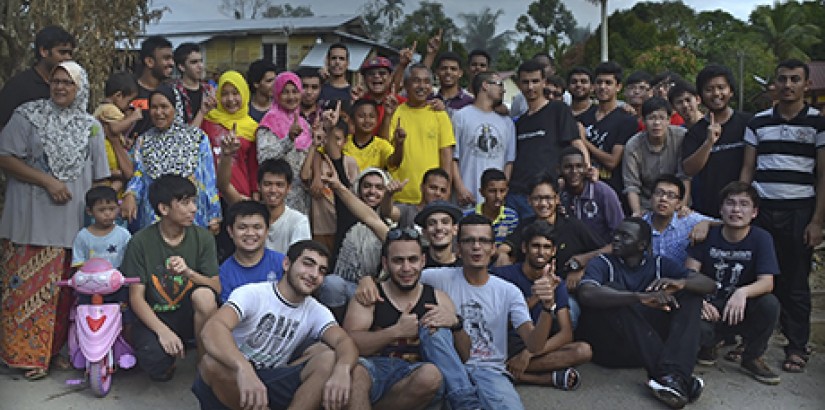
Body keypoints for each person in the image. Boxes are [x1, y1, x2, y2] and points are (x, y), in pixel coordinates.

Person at [357, 214, 560, 409]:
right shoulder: (437, 277)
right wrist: (367, 280)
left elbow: (535, 343)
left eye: (483, 241)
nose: (476, 247)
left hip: (488, 371)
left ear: (493, 248)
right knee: (435, 327)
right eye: (469, 240)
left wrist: (547, 306)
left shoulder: (508, 291)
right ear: (458, 248)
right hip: (445, 370)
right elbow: (402, 273)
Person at [0, 61, 109, 380]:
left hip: (71, 225)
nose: (60, 87)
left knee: (62, 294)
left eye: (68, 83)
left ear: (81, 89)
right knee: (22, 292)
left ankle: (51, 353)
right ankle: (20, 355)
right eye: (56, 81)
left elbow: (101, 177)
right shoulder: (27, 116)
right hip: (28, 223)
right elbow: (4, 156)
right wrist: (46, 180)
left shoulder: (91, 126)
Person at [193, 240, 361, 410]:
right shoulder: (253, 293)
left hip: (272, 380)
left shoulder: (315, 310)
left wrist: (343, 369)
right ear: (287, 264)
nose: (314, 274)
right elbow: (212, 329)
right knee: (211, 363)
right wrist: (243, 368)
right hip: (232, 380)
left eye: (321, 270)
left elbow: (344, 342)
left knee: (328, 357)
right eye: (308, 264)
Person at [740, 59, 825, 373]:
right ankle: (749, 344)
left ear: (806, 84)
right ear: (773, 84)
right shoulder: (758, 122)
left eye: (795, 79)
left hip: (799, 211)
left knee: (795, 283)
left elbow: (823, 176)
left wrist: (817, 221)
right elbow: (748, 169)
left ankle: (797, 346)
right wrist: (743, 212)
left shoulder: (818, 123)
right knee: (755, 277)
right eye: (782, 79)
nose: (787, 85)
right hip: (761, 212)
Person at [577, 217, 716, 409]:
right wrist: (637, 297)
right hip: (610, 348)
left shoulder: (660, 264)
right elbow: (586, 293)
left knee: (691, 294)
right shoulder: (603, 262)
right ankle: (676, 376)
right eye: (616, 234)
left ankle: (674, 378)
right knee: (612, 291)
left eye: (625, 236)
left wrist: (681, 283)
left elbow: (709, 285)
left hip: (644, 351)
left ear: (642, 244)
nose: (616, 239)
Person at [343, 227, 484, 410]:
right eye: (398, 261)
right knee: (356, 372)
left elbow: (464, 357)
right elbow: (348, 344)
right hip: (376, 369)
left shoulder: (438, 297)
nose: (406, 268)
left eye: (413, 259)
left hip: (417, 378)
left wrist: (456, 325)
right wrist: (396, 332)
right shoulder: (370, 295)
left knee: (431, 373)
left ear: (423, 261)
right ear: (385, 263)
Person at [121, 175, 220, 381]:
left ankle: (205, 363)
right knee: (154, 362)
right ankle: (168, 357)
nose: (193, 208)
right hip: (156, 315)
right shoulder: (140, 242)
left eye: (193, 201)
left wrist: (189, 273)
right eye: (185, 203)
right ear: (164, 209)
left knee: (205, 296)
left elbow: (216, 287)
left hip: (189, 315)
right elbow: (136, 297)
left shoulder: (203, 238)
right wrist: (162, 331)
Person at [687, 182, 782, 385]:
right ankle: (709, 345)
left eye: (744, 204)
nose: (736, 210)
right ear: (721, 209)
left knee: (770, 303)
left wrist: (742, 293)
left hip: (740, 308)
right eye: (730, 203)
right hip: (711, 307)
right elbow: (689, 275)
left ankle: (752, 357)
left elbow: (767, 282)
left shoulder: (761, 238)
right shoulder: (706, 236)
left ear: (754, 212)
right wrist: (699, 301)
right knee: (691, 316)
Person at [492, 221, 592, 389]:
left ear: (553, 251)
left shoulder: (556, 283)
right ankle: (541, 378)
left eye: (546, 247)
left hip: (533, 344)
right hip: (502, 343)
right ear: (524, 248)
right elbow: (496, 323)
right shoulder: (502, 276)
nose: (541, 252)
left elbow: (566, 333)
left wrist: (529, 353)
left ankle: (510, 371)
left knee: (583, 351)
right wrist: (536, 297)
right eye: (535, 246)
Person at [121, 84, 221, 232]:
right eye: (154, 107)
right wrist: (130, 195)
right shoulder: (144, 141)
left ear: (176, 108)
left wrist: (214, 216)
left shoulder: (196, 138)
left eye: (164, 106)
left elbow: (208, 179)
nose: (158, 112)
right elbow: (138, 175)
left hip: (191, 217)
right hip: (155, 217)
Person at [497, 174, 606, 297]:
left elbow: (607, 250)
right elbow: (507, 245)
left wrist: (583, 269)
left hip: (565, 291)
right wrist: (502, 254)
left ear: (557, 199)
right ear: (529, 200)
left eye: (548, 198)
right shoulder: (526, 225)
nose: (543, 204)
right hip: (531, 290)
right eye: (537, 198)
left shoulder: (573, 226)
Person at [508, 60, 583, 219]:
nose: (530, 87)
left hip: (545, 195)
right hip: (516, 193)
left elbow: (575, 143)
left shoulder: (558, 109)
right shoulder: (519, 122)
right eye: (525, 82)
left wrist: (586, 169)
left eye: (535, 81)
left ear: (544, 82)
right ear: (519, 85)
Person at [681, 64, 751, 218]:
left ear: (731, 91)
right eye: (709, 89)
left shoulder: (748, 123)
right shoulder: (695, 132)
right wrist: (709, 142)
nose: (716, 93)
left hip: (743, 210)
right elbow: (689, 169)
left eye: (721, 87)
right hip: (708, 210)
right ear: (700, 96)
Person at [387, 63, 456, 205]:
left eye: (426, 82)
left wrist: (446, 189)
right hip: (400, 196)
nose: (422, 86)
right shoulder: (396, 113)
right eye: (416, 81)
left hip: (432, 199)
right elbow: (388, 154)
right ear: (406, 85)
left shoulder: (439, 114)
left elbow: (446, 155)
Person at [452, 70, 516, 208]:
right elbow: (453, 157)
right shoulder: (460, 116)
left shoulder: (507, 122)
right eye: (499, 84)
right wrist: (460, 188)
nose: (503, 90)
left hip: (495, 202)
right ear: (485, 85)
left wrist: (502, 191)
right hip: (467, 197)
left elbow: (509, 161)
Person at [257, 71, 314, 215]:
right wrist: (288, 139)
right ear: (276, 94)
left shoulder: (304, 124)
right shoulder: (269, 122)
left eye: (295, 91)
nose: (291, 97)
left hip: (303, 197)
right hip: (278, 196)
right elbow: (264, 157)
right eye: (285, 92)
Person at [578, 61, 639, 196]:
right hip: (583, 189)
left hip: (612, 191)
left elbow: (612, 161)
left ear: (618, 87)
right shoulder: (583, 118)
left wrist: (583, 141)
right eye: (599, 82)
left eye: (608, 83)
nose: (602, 87)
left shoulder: (626, 120)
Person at [623, 97, 689, 216]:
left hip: (677, 201)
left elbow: (684, 176)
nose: (657, 123)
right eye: (652, 118)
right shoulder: (633, 145)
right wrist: (637, 212)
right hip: (647, 204)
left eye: (662, 118)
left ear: (669, 120)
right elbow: (631, 185)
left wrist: (682, 205)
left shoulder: (681, 137)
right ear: (643, 121)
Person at [0, 25, 75, 128]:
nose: (68, 58)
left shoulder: (73, 87)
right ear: (43, 51)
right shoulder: (18, 87)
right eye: (62, 52)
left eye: (70, 53)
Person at [202, 70, 260, 200]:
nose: (230, 99)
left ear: (244, 94)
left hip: (239, 194)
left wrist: (255, 197)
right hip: (210, 193)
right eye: (224, 94)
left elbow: (253, 167)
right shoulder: (208, 120)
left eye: (235, 93)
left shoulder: (252, 128)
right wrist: (201, 113)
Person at [218, 200, 285, 303]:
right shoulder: (224, 273)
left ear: (267, 230)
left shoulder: (283, 264)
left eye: (257, 227)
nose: (250, 233)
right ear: (230, 231)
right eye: (242, 227)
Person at [642, 174, 715, 266]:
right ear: (651, 198)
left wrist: (707, 223)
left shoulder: (688, 220)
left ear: (678, 203)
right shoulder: (640, 224)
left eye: (671, 196)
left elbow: (725, 223)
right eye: (659, 193)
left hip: (681, 278)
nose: (663, 199)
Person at [558, 146, 624, 246]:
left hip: (603, 253)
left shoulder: (603, 192)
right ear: (559, 170)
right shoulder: (558, 194)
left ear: (586, 168)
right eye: (568, 167)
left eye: (579, 166)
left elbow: (620, 232)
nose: (574, 171)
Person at [93, 72, 140, 195]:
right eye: (129, 101)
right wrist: (132, 118)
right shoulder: (110, 109)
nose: (129, 105)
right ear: (118, 95)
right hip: (108, 151)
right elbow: (114, 129)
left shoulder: (102, 108)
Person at [72, 186, 132, 269]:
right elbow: (78, 263)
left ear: (118, 208)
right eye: (101, 210)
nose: (107, 213)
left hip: (118, 280)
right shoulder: (83, 236)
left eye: (112, 209)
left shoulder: (123, 234)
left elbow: (130, 261)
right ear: (89, 211)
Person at [131, 36, 177, 138]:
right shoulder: (129, 92)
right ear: (149, 62)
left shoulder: (173, 93)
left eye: (172, 59)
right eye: (166, 58)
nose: (172, 63)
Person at [464, 169, 518, 246]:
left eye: (502, 191)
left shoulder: (512, 217)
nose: (498, 196)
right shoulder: (467, 216)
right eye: (492, 191)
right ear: (481, 192)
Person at [343, 98, 394, 171]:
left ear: (377, 120)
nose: (367, 120)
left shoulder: (382, 145)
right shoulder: (343, 142)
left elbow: (394, 162)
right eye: (361, 116)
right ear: (352, 120)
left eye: (372, 116)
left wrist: (399, 144)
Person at [414, 200, 464, 268]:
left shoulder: (464, 268)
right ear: (424, 232)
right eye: (432, 223)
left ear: (455, 229)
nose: (439, 228)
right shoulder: (416, 266)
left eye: (445, 222)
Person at [172, 42, 212, 126]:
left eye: (201, 61)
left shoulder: (209, 90)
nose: (200, 66)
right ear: (181, 67)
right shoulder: (173, 93)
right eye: (194, 62)